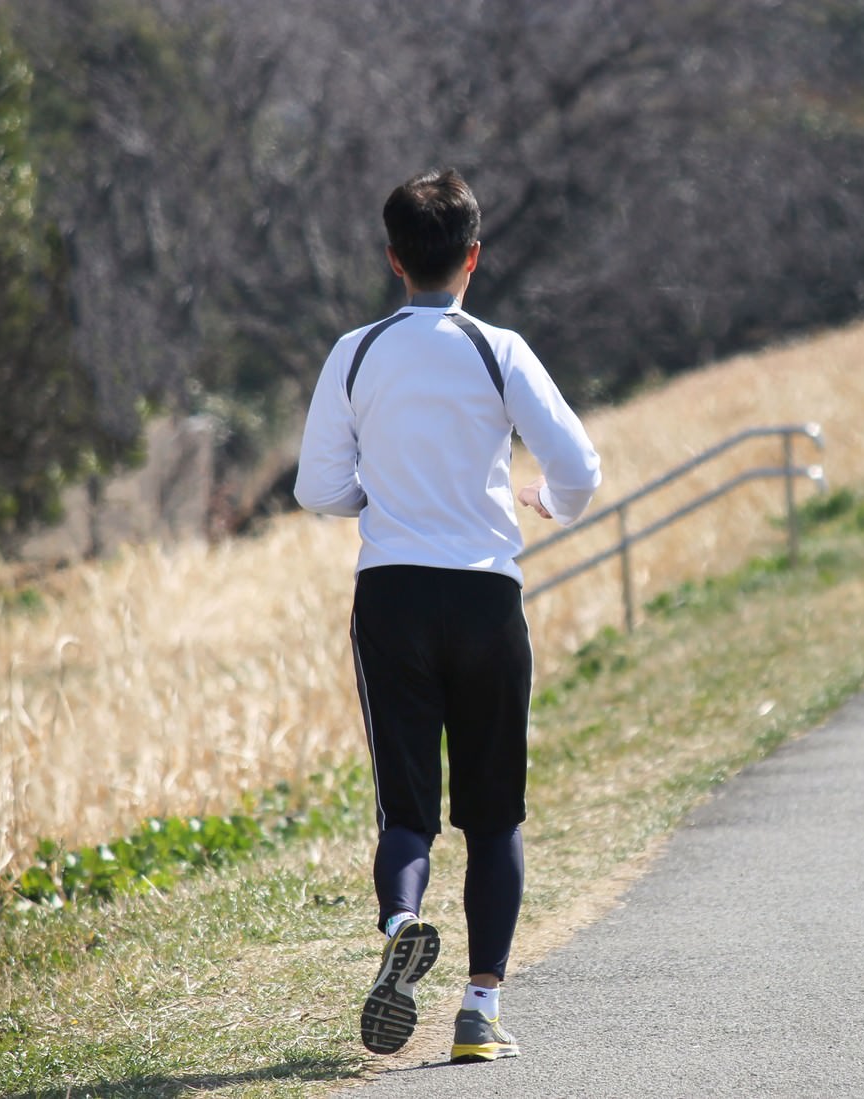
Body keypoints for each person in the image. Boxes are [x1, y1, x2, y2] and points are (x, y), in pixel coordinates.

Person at [294, 167, 602, 1063]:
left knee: (407, 809)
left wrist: (378, 495)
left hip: (391, 592)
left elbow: (318, 487)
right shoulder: (495, 347)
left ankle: (401, 920)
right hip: (484, 591)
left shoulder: (354, 350)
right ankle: (478, 1009)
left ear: (394, 260)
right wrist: (547, 500)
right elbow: (578, 465)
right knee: (495, 814)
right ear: (474, 256)